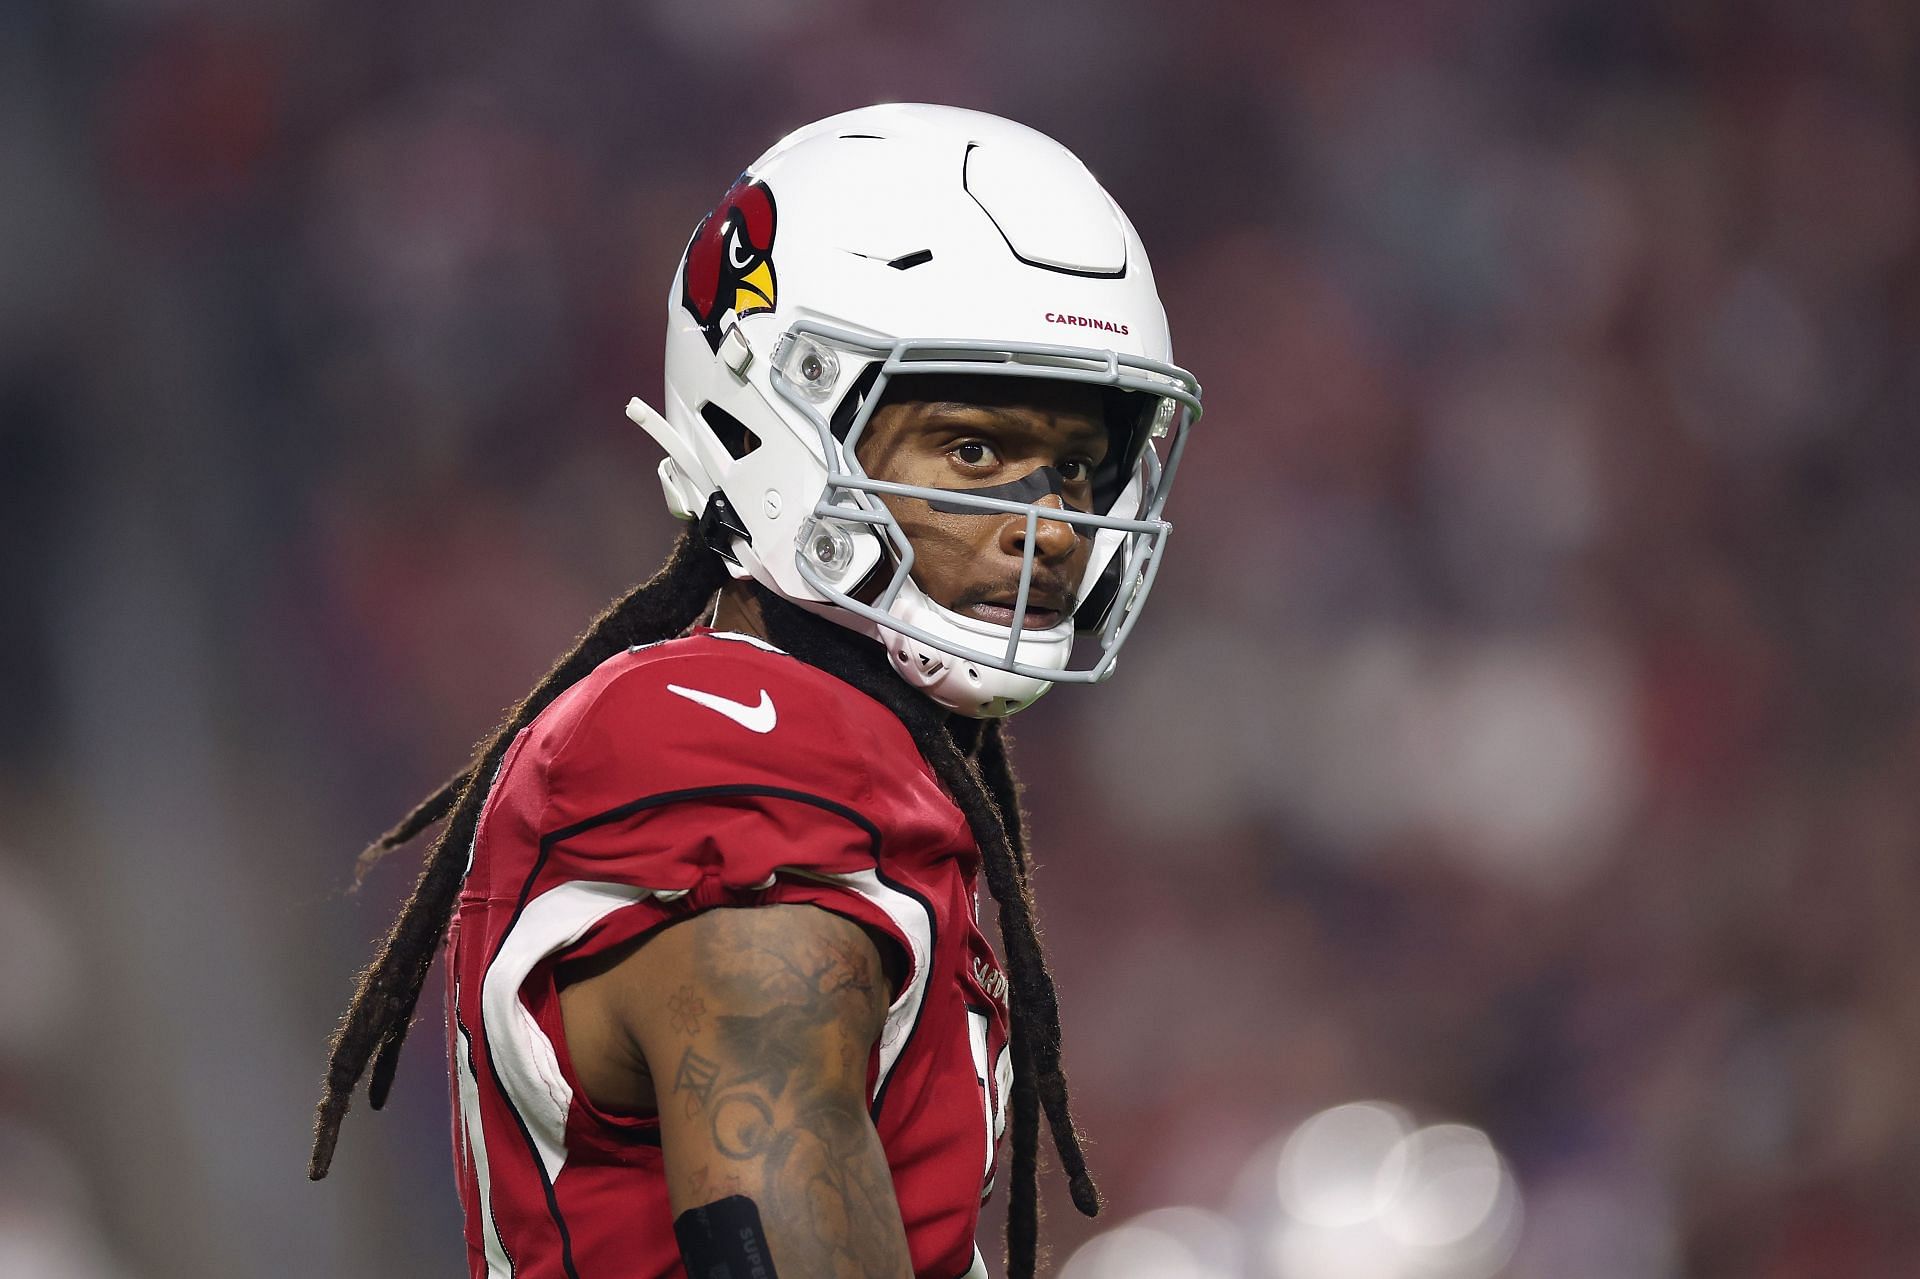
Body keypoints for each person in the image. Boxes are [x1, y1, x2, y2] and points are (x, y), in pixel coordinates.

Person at [308, 103, 1202, 1279]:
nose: (1049, 527)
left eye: (1078, 465)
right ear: (777, 419)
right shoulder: (722, 752)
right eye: (975, 451)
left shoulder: (863, 759)